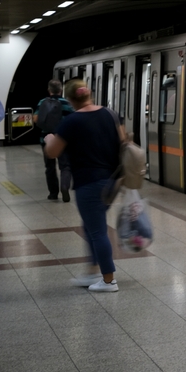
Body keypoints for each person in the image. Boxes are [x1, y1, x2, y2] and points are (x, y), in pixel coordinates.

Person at [44, 79, 123, 292]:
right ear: (89, 94)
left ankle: (109, 280)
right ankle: (93, 272)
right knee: (91, 227)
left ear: (70, 100)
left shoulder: (72, 121)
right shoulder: (110, 114)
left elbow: (53, 152)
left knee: (97, 231)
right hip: (112, 181)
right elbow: (122, 141)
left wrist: (50, 139)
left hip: (89, 183)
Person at [37, 80, 74, 201]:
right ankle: (64, 186)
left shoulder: (42, 102)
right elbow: (73, 120)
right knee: (65, 166)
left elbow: (36, 119)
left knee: (50, 167)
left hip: (46, 138)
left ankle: (53, 193)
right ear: (61, 90)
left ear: (49, 90)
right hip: (63, 139)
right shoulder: (67, 103)